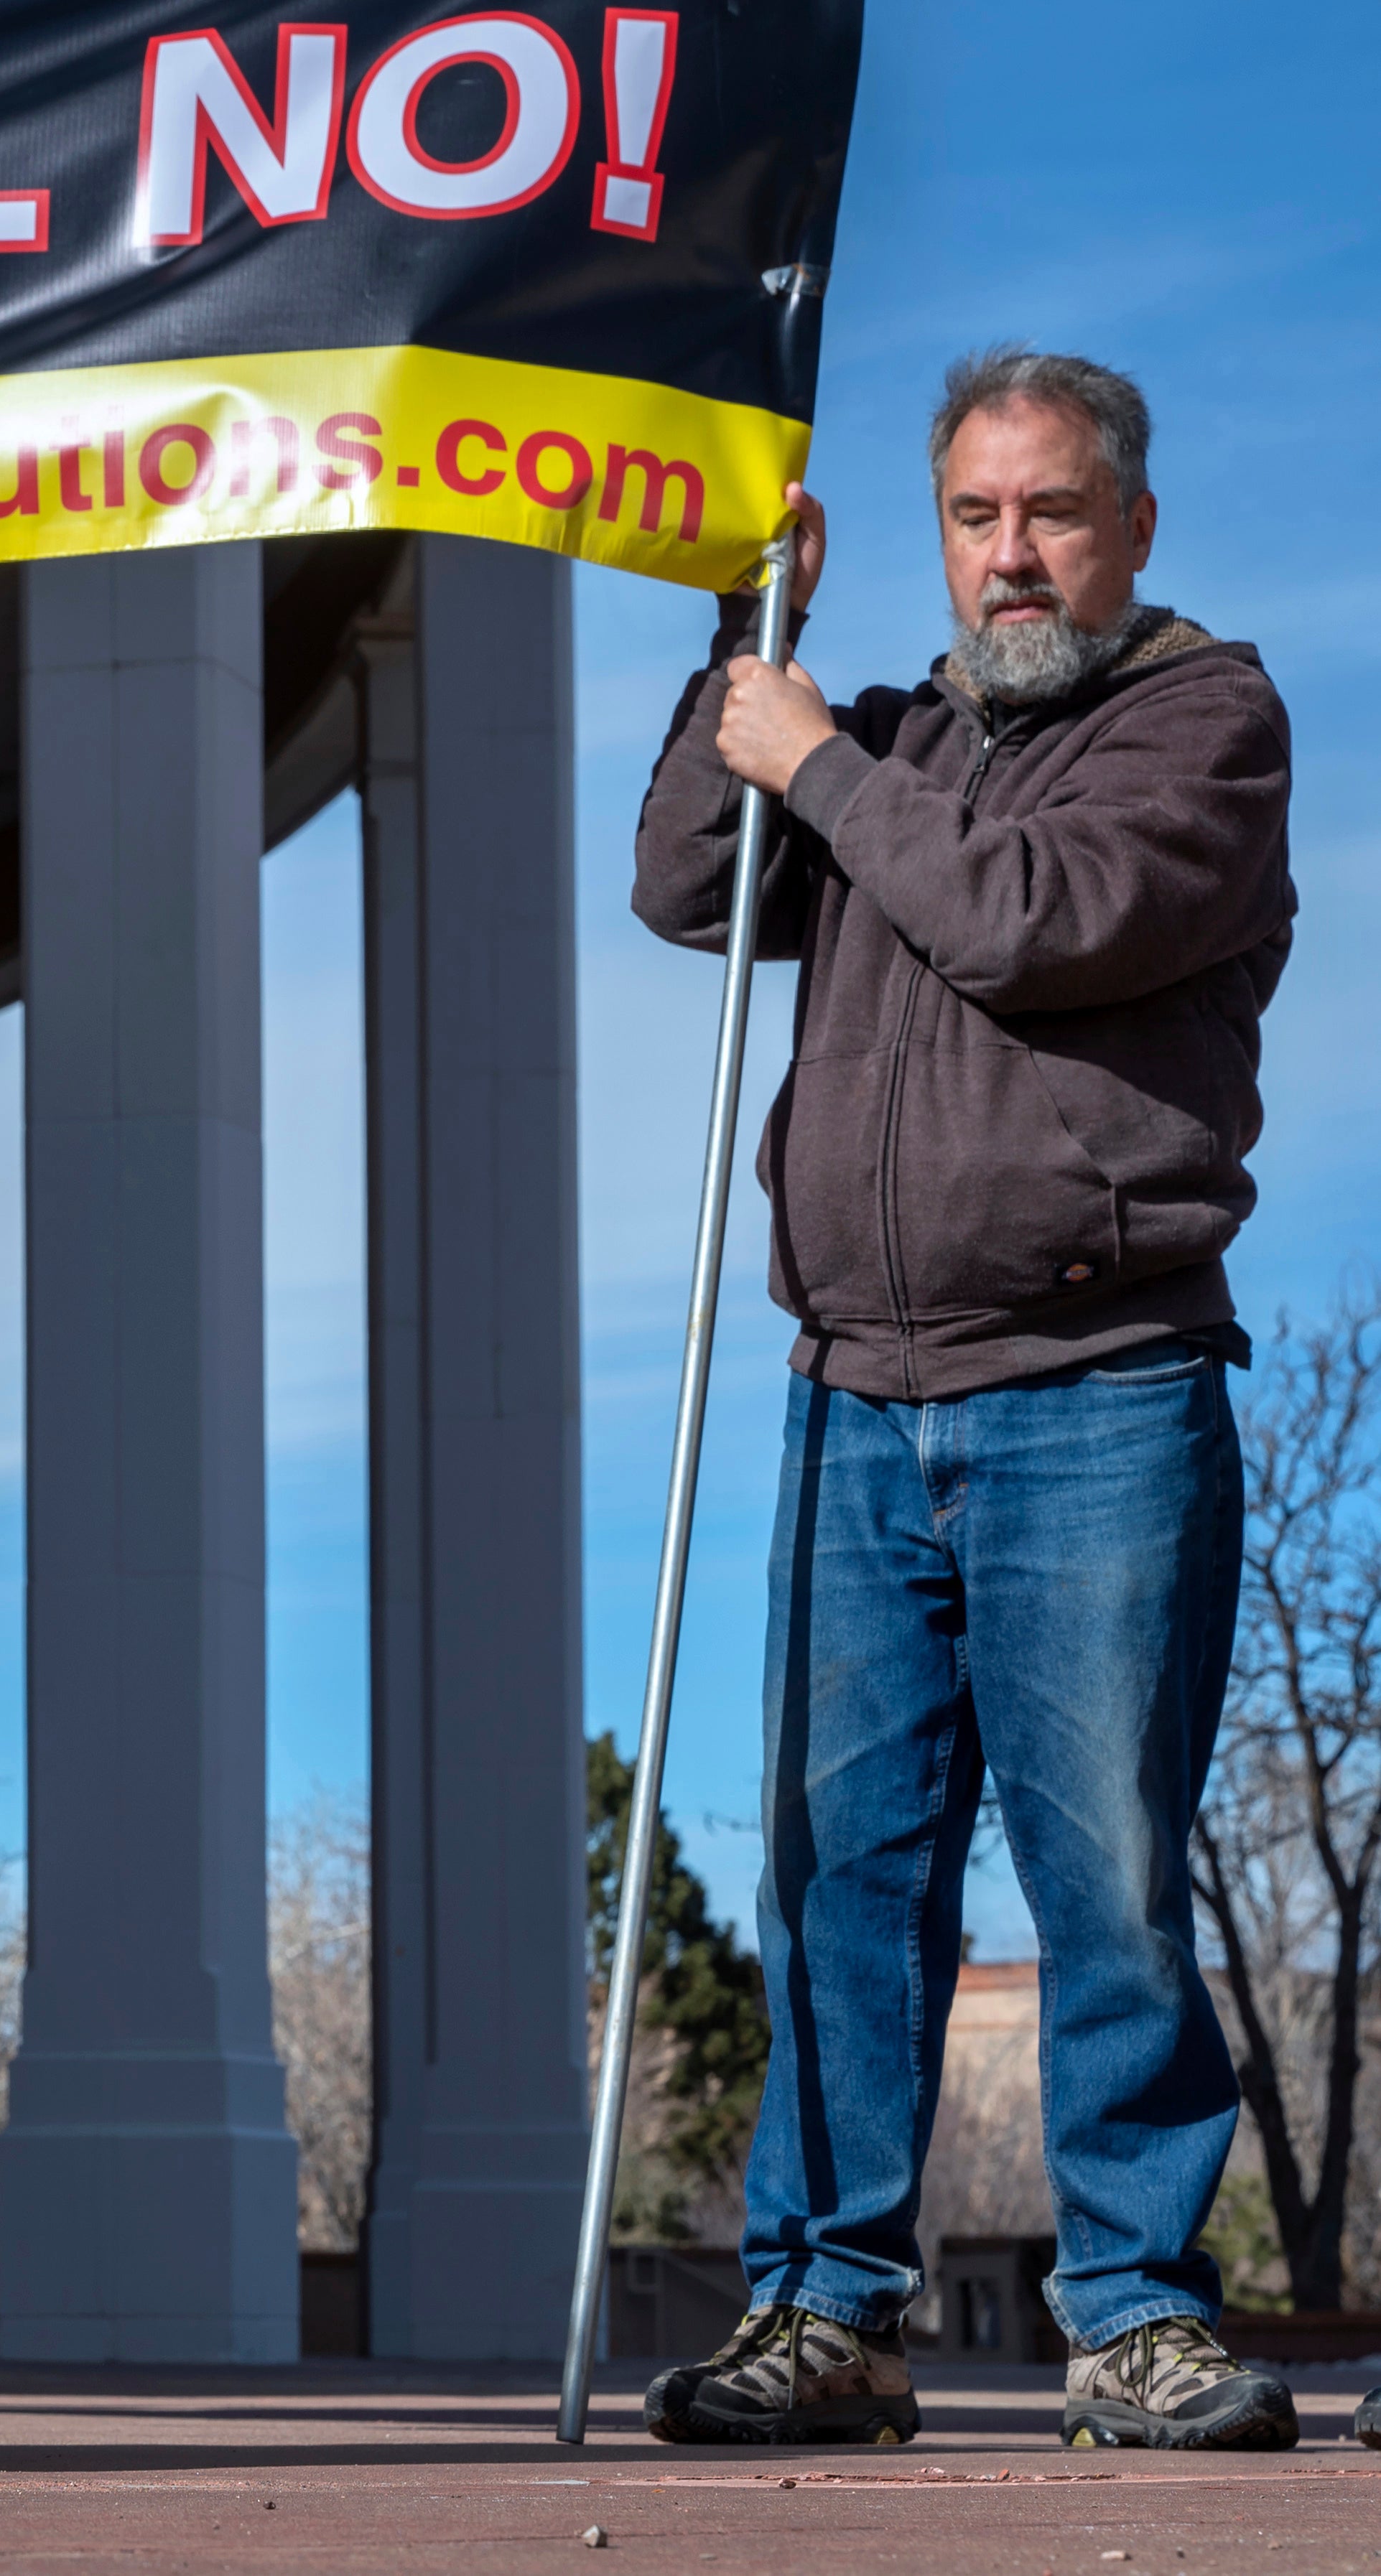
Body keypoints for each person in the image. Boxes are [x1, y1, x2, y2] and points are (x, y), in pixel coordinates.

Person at [631, 349, 1296, 2450]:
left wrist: (819, 760)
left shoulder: (1202, 722)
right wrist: (749, 649)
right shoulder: (887, 729)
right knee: (844, 1867)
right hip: (851, 1394)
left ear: (1129, 527)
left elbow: (1031, 918)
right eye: (973, 515)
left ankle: (1131, 2312)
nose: (1008, 553)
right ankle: (825, 2309)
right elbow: (676, 887)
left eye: (1049, 511)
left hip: (1094, 1382)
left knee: (1101, 1865)